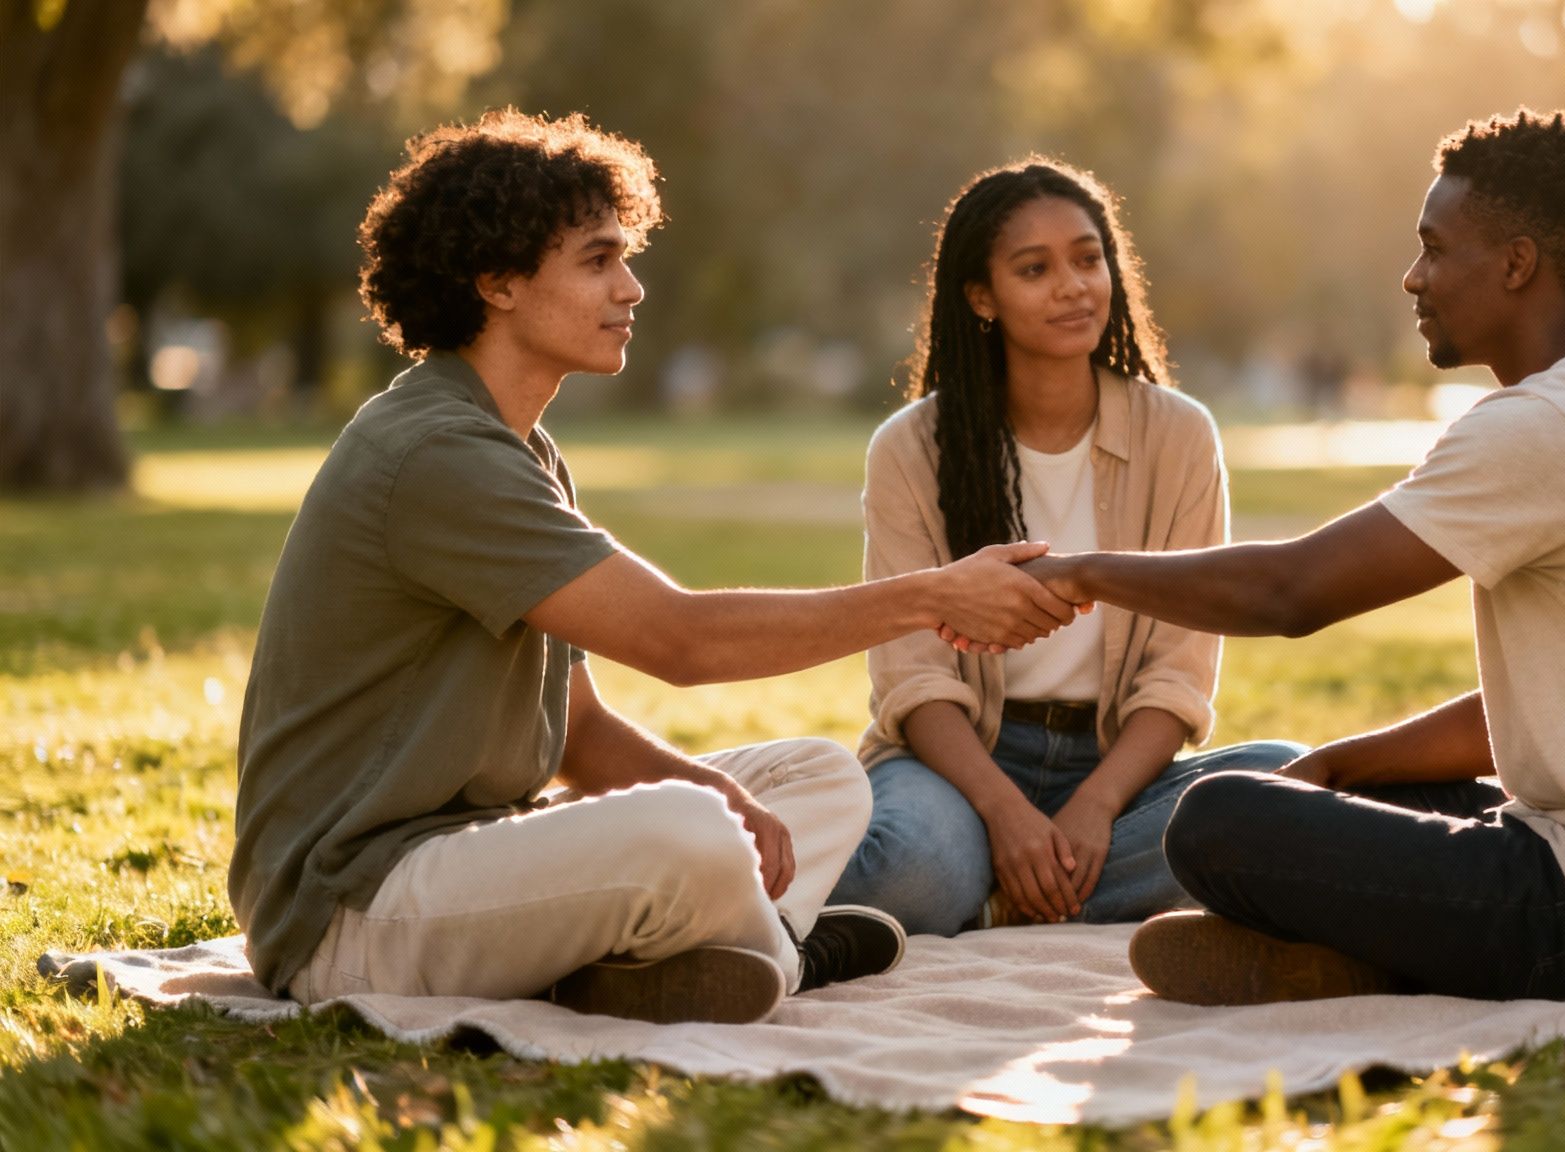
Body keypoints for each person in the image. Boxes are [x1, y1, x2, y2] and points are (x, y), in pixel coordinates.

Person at [228, 110, 1080, 1025]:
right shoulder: (438, 454)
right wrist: (931, 594)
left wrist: (718, 789)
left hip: (468, 855)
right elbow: (680, 640)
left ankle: (720, 952)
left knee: (818, 778)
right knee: (690, 832)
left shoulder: (520, 448)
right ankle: (778, 951)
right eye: (598, 261)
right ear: (497, 281)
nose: (631, 288)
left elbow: (577, 730)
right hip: (350, 909)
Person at [1027, 110, 1565, 1004]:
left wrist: (1081, 573)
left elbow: (1292, 591)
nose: (1414, 277)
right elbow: (1562, 708)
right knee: (1344, 795)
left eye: (1436, 249)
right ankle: (1364, 957)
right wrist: (1339, 766)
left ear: (1518, 264)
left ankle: (1374, 957)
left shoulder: (1548, 426)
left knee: (1217, 818)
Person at [826, 158, 1302, 936]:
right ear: (981, 296)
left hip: (1118, 769)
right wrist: (1007, 816)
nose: (1074, 285)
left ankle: (999, 895)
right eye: (1035, 269)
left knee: (1284, 778)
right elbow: (914, 681)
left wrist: (1095, 807)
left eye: (1088, 258)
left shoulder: (1180, 435)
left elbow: (1179, 675)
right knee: (920, 864)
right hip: (962, 769)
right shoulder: (911, 448)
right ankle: (997, 877)